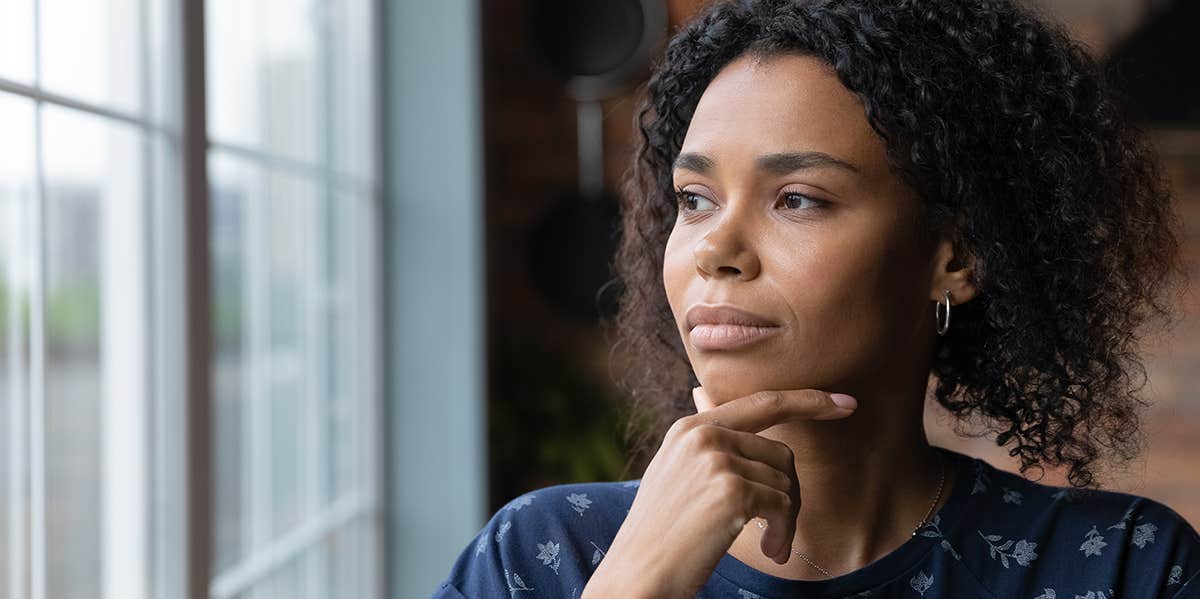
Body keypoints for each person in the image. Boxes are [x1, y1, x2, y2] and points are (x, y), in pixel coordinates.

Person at [432, 0, 1200, 597]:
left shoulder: (1122, 569)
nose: (715, 249)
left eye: (796, 199)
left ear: (956, 257)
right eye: (695, 199)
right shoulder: (544, 556)